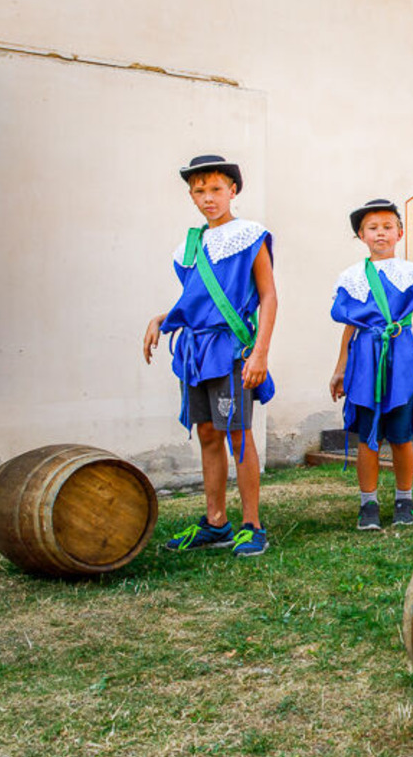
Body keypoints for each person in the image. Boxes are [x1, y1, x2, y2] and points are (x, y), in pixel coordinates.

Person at [143, 154, 277, 558]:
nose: (208, 198)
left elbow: (268, 295)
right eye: (199, 191)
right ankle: (216, 521)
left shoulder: (250, 235)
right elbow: (197, 302)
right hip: (195, 350)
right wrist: (163, 318)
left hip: (232, 349)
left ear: (232, 190)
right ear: (190, 196)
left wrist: (260, 353)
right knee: (206, 433)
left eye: (216, 189)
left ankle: (252, 524)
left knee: (238, 432)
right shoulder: (188, 247)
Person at [330, 199, 413, 531]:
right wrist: (340, 368)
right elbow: (350, 326)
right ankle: (367, 504)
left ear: (400, 232)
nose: (380, 233)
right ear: (361, 235)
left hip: (400, 358)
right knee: (369, 436)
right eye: (373, 228)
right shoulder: (352, 277)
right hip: (366, 360)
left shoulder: (412, 274)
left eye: (387, 227)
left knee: (400, 436)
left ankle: (404, 499)